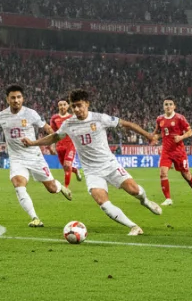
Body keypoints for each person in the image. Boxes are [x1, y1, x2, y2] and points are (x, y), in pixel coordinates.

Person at [23, 88, 161, 236]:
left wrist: (148, 135)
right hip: (91, 171)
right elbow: (55, 137)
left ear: (87, 104)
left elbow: (126, 124)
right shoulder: (69, 123)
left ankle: (145, 201)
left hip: (109, 165)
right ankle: (134, 226)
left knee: (135, 191)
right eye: (73, 106)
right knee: (103, 202)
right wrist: (33, 143)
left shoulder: (100, 118)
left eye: (79, 105)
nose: (76, 109)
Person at [0, 85, 72, 228]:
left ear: (23, 98)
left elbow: (48, 129)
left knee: (51, 188)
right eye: (13, 98)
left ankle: (59, 186)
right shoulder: (1, 116)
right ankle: (35, 218)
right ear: (7, 99)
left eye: (19, 97)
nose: (16, 100)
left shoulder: (31, 114)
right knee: (18, 184)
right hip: (16, 158)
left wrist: (54, 143)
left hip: (34, 157)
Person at [151, 98, 192, 206]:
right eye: (166, 104)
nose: (168, 106)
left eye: (170, 104)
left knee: (186, 174)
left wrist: (181, 137)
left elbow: (190, 132)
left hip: (179, 152)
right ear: (163, 107)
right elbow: (158, 133)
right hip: (166, 151)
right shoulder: (159, 119)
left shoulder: (180, 118)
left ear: (174, 106)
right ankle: (168, 199)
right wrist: (154, 137)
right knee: (163, 173)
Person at [47, 99, 83, 187]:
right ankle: (75, 170)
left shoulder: (72, 118)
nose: (62, 106)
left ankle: (66, 187)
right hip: (59, 146)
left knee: (67, 165)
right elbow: (53, 133)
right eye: (60, 105)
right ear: (58, 106)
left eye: (64, 104)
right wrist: (52, 145)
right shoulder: (54, 118)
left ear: (68, 106)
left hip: (70, 144)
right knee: (65, 167)